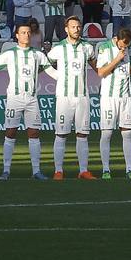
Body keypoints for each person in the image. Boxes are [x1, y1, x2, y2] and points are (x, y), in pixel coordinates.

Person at [0, 22, 49, 180]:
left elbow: (45, 68)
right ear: (17, 35)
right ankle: (6, 170)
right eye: (23, 32)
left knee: (34, 133)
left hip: (32, 99)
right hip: (14, 99)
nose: (27, 35)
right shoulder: (9, 54)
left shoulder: (38, 54)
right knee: (10, 133)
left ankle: (36, 171)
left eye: (28, 32)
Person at [45, 15, 98, 179]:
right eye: (73, 27)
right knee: (61, 134)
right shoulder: (58, 48)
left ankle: (83, 170)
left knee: (82, 134)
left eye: (78, 26)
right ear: (66, 29)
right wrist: (58, 76)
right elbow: (46, 64)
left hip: (82, 96)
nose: (77, 29)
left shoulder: (87, 48)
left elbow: (96, 67)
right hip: (64, 97)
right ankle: (58, 170)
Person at [95, 26, 131, 179]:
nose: (125, 48)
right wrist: (117, 59)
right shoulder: (105, 48)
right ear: (117, 39)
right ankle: (106, 169)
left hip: (126, 97)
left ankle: (129, 169)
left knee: (127, 133)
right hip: (108, 98)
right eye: (123, 45)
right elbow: (101, 72)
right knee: (106, 133)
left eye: (127, 45)